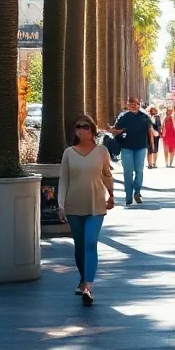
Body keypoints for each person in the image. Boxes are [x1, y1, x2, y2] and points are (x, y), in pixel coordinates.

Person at [58, 114, 115, 306]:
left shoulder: (101, 151)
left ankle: (88, 286)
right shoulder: (69, 153)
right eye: (78, 127)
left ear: (92, 130)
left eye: (86, 127)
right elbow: (64, 180)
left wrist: (111, 194)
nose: (82, 130)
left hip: (96, 203)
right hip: (74, 205)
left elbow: (107, 174)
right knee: (80, 245)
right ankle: (82, 279)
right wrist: (61, 204)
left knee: (90, 242)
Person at [109, 97, 152, 205]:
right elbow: (115, 130)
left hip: (141, 147)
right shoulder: (123, 117)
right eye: (132, 103)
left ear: (139, 105)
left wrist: (152, 145)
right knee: (128, 172)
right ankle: (128, 195)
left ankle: (137, 192)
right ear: (128, 105)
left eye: (136, 103)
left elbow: (150, 131)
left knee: (139, 171)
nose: (134, 105)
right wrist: (117, 131)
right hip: (126, 148)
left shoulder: (144, 117)